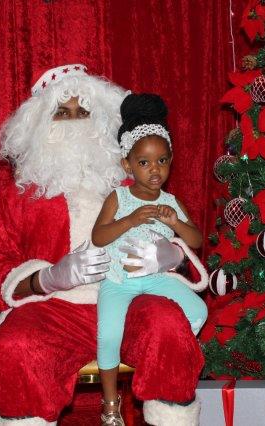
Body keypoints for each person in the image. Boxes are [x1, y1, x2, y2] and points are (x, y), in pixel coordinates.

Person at [0, 64, 209, 426]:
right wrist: (46, 278)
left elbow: (180, 229)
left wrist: (171, 256)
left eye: (83, 111)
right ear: (39, 124)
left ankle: (171, 420)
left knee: (168, 324)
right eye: (62, 112)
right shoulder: (22, 194)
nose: (74, 122)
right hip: (56, 309)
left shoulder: (134, 180)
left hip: (132, 296)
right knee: (16, 344)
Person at [92, 94, 208, 425]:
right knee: (108, 336)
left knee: (198, 311)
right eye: (144, 162)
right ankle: (110, 403)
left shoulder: (172, 201)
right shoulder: (118, 197)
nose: (154, 169)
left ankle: (164, 362)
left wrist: (176, 223)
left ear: (171, 161)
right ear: (127, 165)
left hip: (157, 279)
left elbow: (196, 241)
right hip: (119, 280)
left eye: (162, 161)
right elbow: (98, 236)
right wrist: (129, 220)